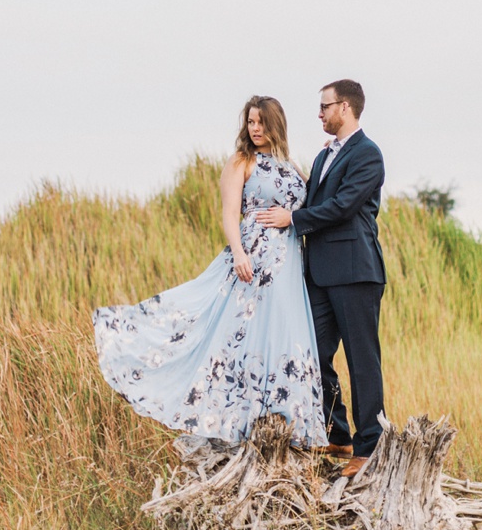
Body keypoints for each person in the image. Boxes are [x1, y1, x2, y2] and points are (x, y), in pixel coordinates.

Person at [92, 96, 327, 448]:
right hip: (255, 258)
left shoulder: (291, 164)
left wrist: (325, 160)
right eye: (251, 122)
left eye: (262, 122)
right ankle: (243, 420)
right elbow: (229, 213)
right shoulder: (241, 161)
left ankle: (288, 421)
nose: (256, 129)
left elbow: (312, 200)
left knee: (284, 332)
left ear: (276, 123)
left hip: (291, 264)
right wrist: (239, 253)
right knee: (245, 333)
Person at [256, 79, 386, 478]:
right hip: (319, 272)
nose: (319, 114)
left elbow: (343, 206)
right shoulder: (322, 154)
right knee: (312, 354)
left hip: (356, 270)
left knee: (362, 361)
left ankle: (369, 446)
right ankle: (339, 432)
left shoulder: (368, 155)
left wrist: (292, 219)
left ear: (344, 108)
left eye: (324, 106)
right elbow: (313, 200)